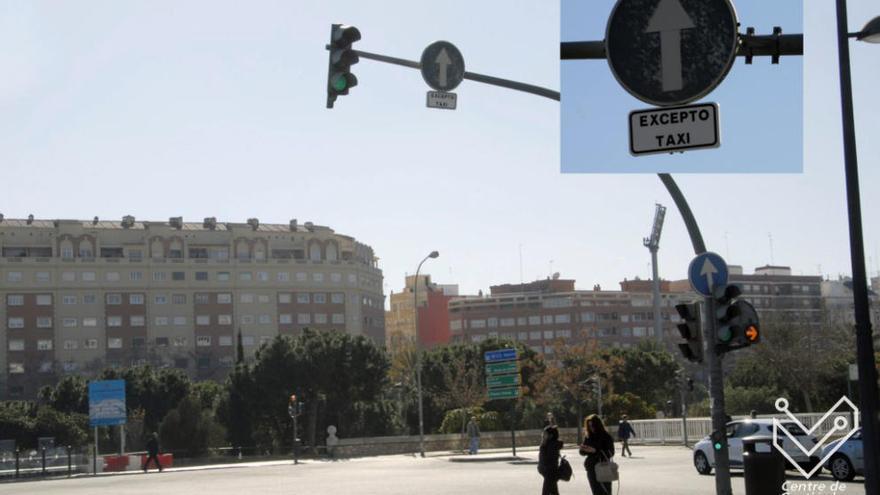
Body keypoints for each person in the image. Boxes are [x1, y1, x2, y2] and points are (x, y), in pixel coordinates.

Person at [580, 414, 614, 495]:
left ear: (598, 425)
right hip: (591, 468)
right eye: (589, 426)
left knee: (605, 491)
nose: (591, 428)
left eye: (593, 426)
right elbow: (582, 452)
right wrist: (583, 449)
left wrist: (595, 451)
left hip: (603, 467)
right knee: (596, 491)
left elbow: (611, 452)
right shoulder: (588, 436)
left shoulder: (606, 436)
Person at [538, 425, 563, 495]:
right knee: (554, 493)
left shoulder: (552, 445)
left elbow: (547, 459)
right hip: (549, 473)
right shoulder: (548, 444)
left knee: (545, 493)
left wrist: (543, 446)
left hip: (550, 473)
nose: (543, 435)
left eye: (545, 434)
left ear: (550, 436)